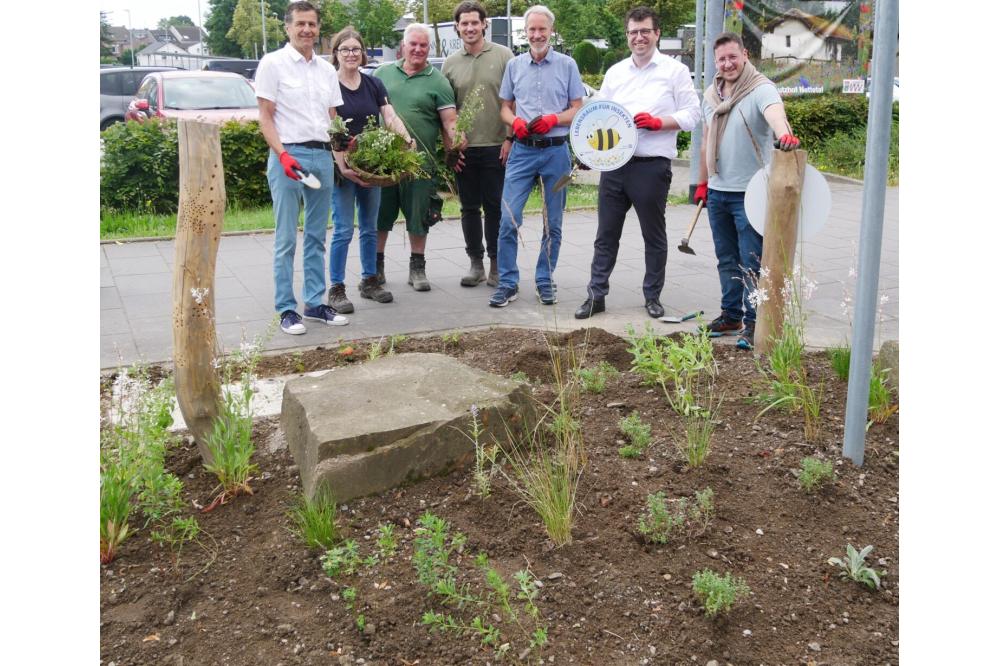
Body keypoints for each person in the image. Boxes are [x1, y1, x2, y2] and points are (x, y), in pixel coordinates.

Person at [574, 6, 700, 321]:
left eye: (645, 31)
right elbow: (599, 113)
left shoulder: (675, 71)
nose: (638, 37)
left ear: (656, 33)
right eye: (633, 32)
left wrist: (660, 122)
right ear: (628, 35)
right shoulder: (616, 72)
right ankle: (595, 295)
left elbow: (693, 114)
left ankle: (652, 297)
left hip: (651, 166)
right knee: (605, 234)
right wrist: (589, 152)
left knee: (653, 236)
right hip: (615, 166)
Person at [694, 31, 800, 350]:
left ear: (745, 56)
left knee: (751, 260)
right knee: (726, 258)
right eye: (721, 59)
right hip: (717, 190)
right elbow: (705, 139)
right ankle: (731, 315)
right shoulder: (712, 94)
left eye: (733, 57)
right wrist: (701, 183)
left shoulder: (760, 89)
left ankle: (753, 323)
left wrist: (785, 135)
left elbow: (776, 115)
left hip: (750, 193)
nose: (727, 64)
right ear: (716, 62)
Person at [255, 1, 348, 335]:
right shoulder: (273, 64)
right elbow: (265, 115)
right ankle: (286, 309)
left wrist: (342, 150)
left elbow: (332, 118)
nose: (307, 30)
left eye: (312, 24)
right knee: (285, 238)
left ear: (318, 28)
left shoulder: (326, 70)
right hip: (288, 157)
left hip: (321, 157)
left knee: (316, 236)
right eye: (300, 24)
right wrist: (281, 155)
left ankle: (314, 304)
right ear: (288, 27)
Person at [488, 4, 585, 308]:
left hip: (556, 153)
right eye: (532, 29)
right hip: (522, 151)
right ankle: (507, 282)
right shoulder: (514, 66)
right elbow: (504, 106)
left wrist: (555, 119)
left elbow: (578, 107)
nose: (537, 34)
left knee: (552, 222)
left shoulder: (567, 64)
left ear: (551, 31)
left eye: (542, 29)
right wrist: (514, 121)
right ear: (525, 32)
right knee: (508, 218)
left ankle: (545, 279)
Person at [327, 27, 414, 314]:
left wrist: (406, 140)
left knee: (369, 227)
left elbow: (389, 115)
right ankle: (337, 288)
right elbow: (332, 129)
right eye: (345, 49)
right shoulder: (329, 85)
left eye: (355, 49)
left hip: (371, 166)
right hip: (342, 168)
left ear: (362, 53)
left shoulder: (373, 84)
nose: (351, 54)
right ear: (336, 54)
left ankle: (369, 281)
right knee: (342, 229)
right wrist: (343, 164)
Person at [373, 23, 460, 292]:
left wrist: (456, 144)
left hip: (421, 164)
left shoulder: (438, 81)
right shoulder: (381, 74)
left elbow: (450, 121)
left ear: (429, 48)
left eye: (424, 45)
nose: (418, 49)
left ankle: (417, 268)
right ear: (403, 46)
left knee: (419, 215)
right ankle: (375, 268)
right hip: (383, 164)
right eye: (413, 44)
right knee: (380, 216)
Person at [443, 1, 515, 289]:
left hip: (498, 144)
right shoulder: (449, 63)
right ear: (457, 27)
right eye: (464, 23)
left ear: (484, 24)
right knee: (469, 208)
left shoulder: (504, 55)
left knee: (495, 207)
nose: (470, 28)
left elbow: (514, 101)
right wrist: (451, 148)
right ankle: (476, 264)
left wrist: (511, 139)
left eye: (475, 22)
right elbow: (446, 111)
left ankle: (497, 264)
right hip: (465, 150)